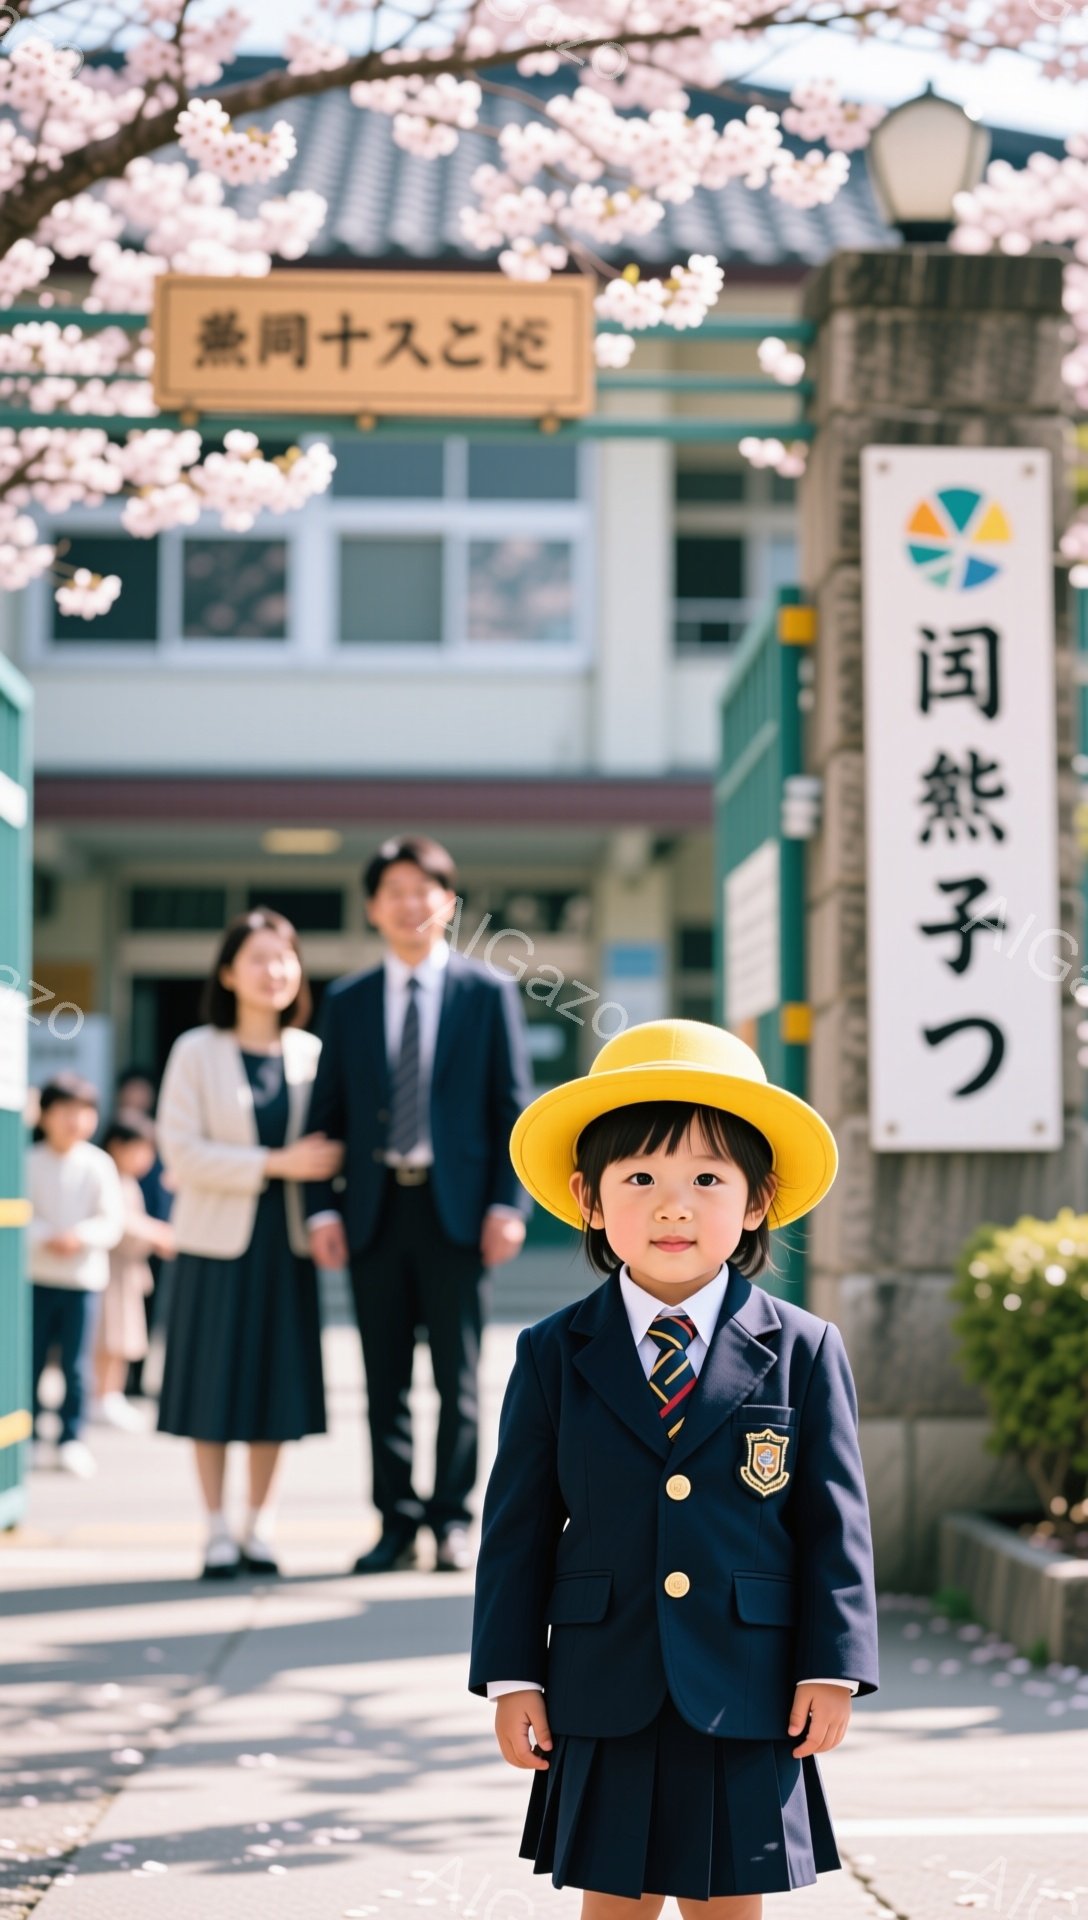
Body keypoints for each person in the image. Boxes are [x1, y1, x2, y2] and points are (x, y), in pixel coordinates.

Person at [468, 1017, 879, 1917]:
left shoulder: (804, 1350)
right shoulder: (552, 1351)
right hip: (600, 1673)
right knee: (614, 1898)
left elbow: (833, 1521)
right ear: (587, 1196)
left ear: (758, 1199)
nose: (673, 1206)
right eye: (640, 1179)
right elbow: (518, 1527)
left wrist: (834, 1664)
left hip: (747, 1676)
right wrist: (511, 1676)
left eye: (706, 1179)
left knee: (730, 1897)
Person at [305, 834, 534, 1576]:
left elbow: (513, 1110)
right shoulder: (347, 1002)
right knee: (383, 1382)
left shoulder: (487, 993)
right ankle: (396, 1522)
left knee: (458, 1380)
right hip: (373, 1214)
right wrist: (322, 1211)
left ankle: (453, 1520)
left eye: (423, 890)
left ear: (448, 904)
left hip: (460, 1215)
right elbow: (325, 1113)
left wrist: (510, 1205)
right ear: (373, 907)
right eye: (394, 891)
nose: (410, 904)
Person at [155, 909, 343, 1580]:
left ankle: (260, 1527)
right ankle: (212, 1530)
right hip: (214, 1244)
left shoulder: (312, 1053)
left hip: (284, 1246)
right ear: (229, 972)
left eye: (285, 957)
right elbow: (179, 1150)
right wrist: (274, 1163)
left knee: (275, 1390)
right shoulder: (195, 1050)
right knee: (210, 1389)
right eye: (259, 958)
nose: (275, 971)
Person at [28, 1073, 125, 1478]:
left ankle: (71, 1437)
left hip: (83, 1280)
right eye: (64, 1111)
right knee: (27, 1360)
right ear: (45, 1115)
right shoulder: (26, 1160)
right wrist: (45, 1237)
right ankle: (29, 1435)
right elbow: (15, 1213)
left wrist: (78, 1237)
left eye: (83, 1112)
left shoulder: (98, 1163)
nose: (74, 1120)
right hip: (33, 1276)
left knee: (76, 1364)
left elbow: (112, 1221)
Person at [92, 1113, 176, 1431]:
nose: (147, 1158)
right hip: (112, 1271)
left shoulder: (127, 1181)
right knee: (110, 1337)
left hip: (127, 1271)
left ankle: (110, 1394)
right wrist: (159, 1235)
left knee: (122, 1337)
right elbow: (122, 1223)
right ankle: (102, 1395)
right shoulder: (111, 1178)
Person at [113, 1065, 174, 1400]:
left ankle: (137, 1380)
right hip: (124, 1241)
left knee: (146, 1315)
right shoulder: (115, 1134)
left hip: (156, 1236)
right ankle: (115, 1387)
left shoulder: (158, 1134)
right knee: (116, 1319)